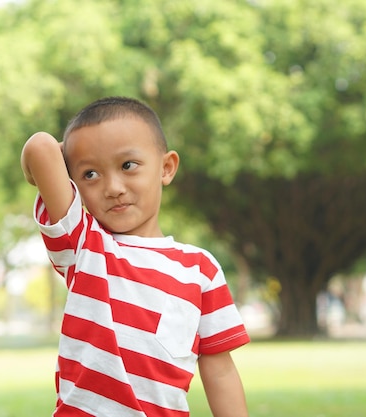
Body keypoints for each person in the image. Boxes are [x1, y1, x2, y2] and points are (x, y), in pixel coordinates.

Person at [21, 96, 250, 417]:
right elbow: (40, 148)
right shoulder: (84, 246)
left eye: (128, 165)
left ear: (166, 167)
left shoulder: (200, 269)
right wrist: (72, 152)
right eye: (90, 174)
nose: (113, 187)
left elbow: (220, 370)